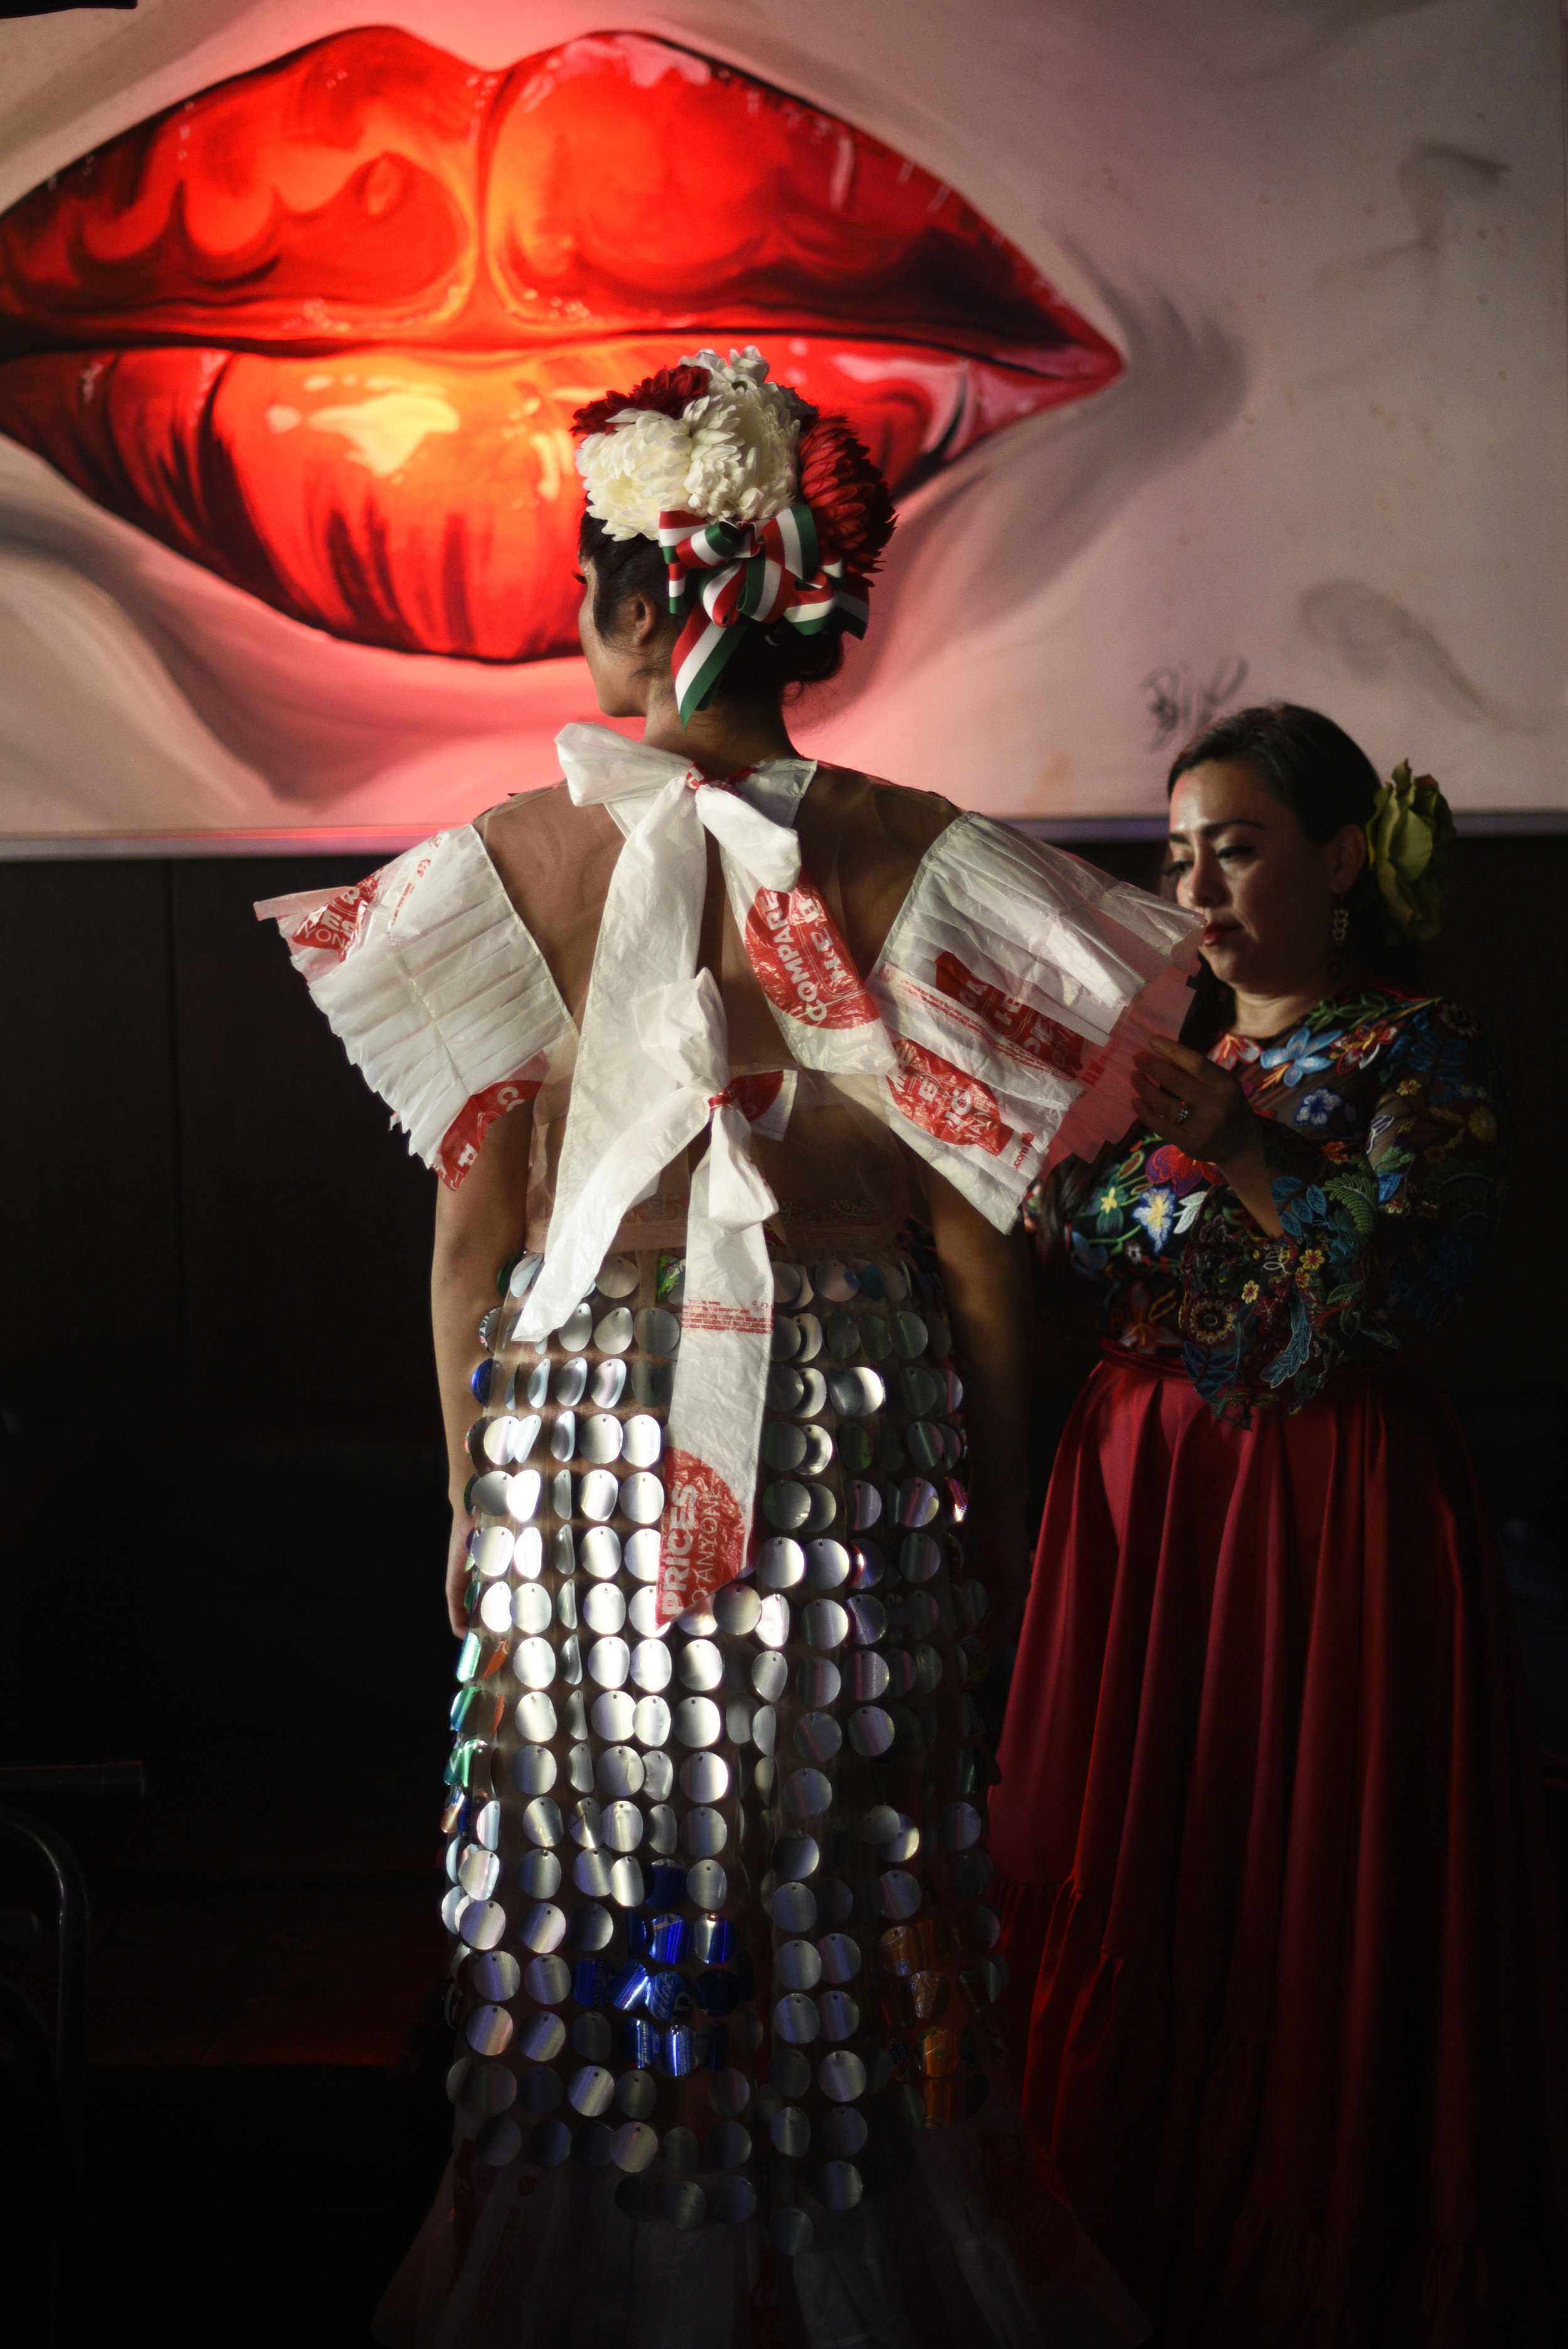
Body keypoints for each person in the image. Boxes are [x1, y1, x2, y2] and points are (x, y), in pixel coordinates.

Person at [257, 348, 1195, 2346]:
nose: (576, 627)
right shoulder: (926, 857)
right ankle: (846, 2263)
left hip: (585, 1442)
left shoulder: (509, 859)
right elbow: (971, 1248)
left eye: (586, 589)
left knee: (611, 1858)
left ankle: (628, 2260)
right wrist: (1003, 1512)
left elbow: (470, 1242)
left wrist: (468, 1494)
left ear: (651, 596)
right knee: (846, 1861)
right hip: (857, 1415)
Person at [990, 703, 1568, 2345]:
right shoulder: (1170, 1058)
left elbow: (1399, 1291)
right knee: (1125, 1876)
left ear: (1334, 856)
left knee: (1297, 1885)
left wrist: (1245, 1152)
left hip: (1319, 1508)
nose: (1200, 890)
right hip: (1139, 1515)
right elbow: (1072, 1280)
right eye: (1176, 860)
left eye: (1233, 847)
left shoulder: (1414, 1051)